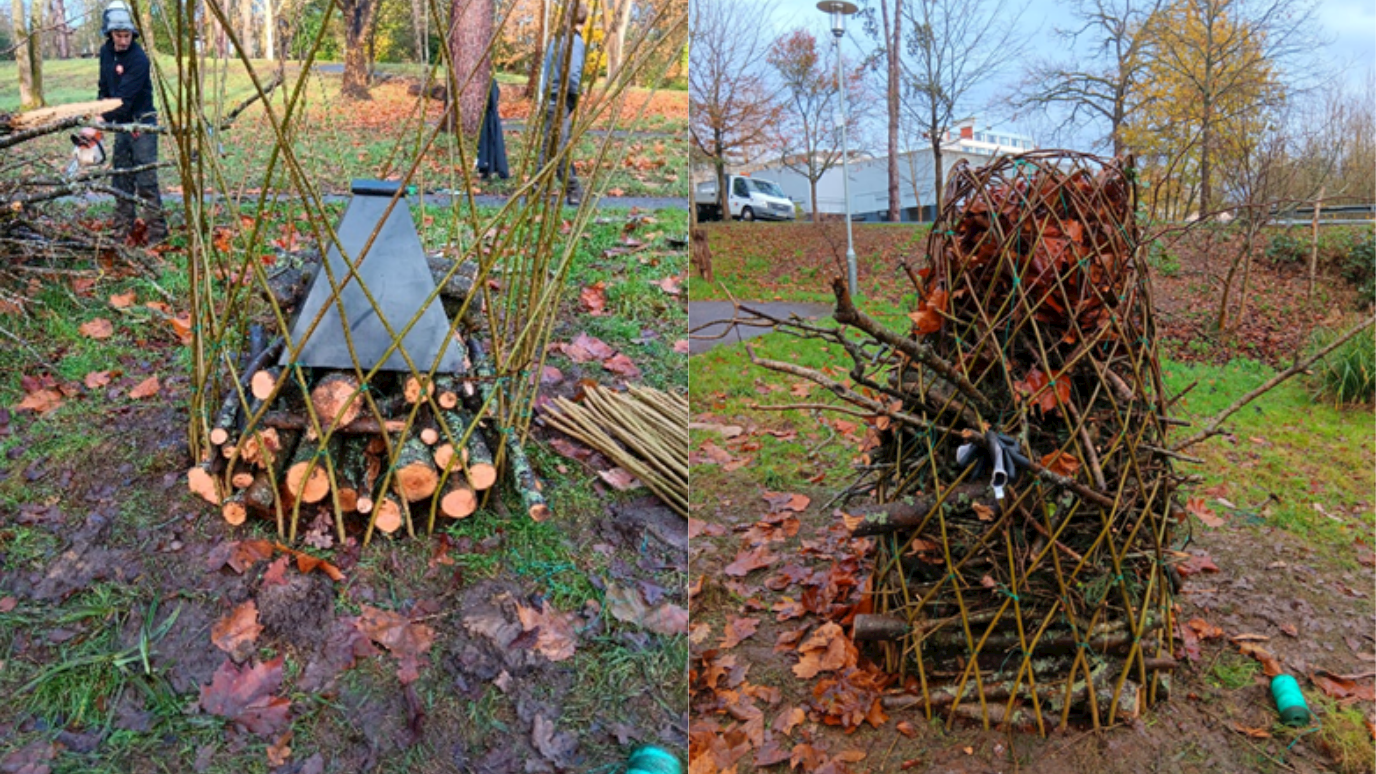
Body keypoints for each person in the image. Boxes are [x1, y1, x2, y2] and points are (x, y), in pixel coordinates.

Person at [97, 0, 166, 244]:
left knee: (146, 181)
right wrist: (98, 114)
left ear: (133, 33)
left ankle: (157, 235)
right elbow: (104, 88)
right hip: (120, 125)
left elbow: (124, 101)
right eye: (118, 35)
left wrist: (100, 118)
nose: (123, 40)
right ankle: (120, 233)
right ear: (109, 32)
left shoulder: (139, 59)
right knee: (121, 180)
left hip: (142, 123)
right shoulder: (106, 52)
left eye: (127, 35)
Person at [540, 4, 587, 206]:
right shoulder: (574, 41)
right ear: (584, 21)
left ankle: (538, 189)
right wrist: (575, 97)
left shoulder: (556, 39)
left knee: (548, 147)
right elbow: (573, 75)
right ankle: (573, 189)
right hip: (559, 101)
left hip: (549, 98)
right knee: (558, 150)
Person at [476, 79, 509, 181]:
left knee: (489, 140)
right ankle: (488, 167)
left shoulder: (488, 83)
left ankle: (488, 167)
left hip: (490, 116)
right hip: (490, 116)